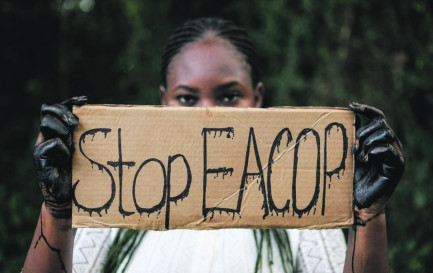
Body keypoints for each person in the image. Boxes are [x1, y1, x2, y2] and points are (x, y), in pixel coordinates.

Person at [23, 18, 405, 273]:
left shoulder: (301, 210)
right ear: (163, 100)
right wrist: (57, 212)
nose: (207, 114)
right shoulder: (111, 204)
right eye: (188, 99)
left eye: (228, 97)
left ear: (257, 98)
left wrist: (369, 215)